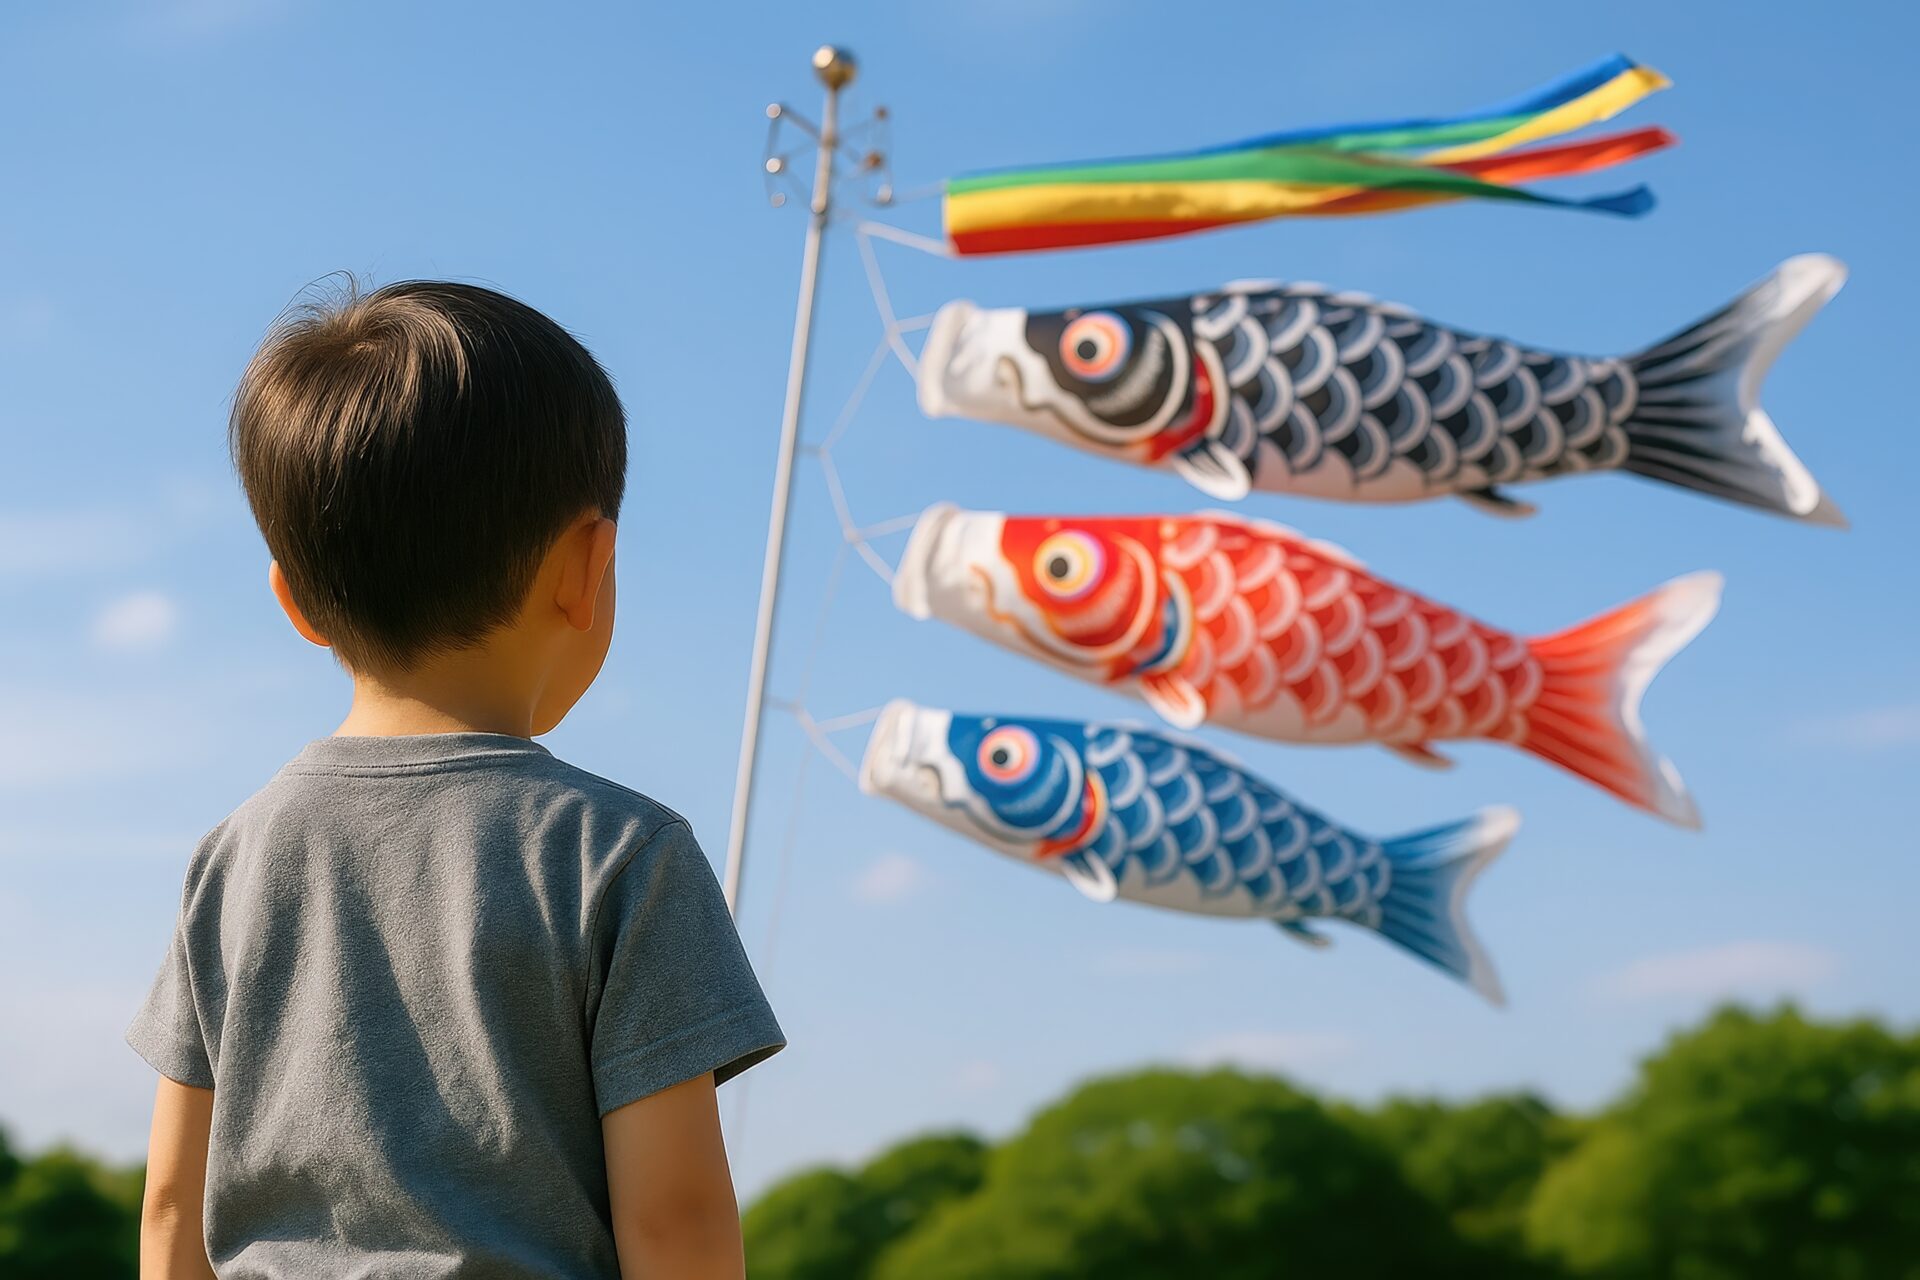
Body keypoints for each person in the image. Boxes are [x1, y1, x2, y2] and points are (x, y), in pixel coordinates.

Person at [126, 280, 784, 1278]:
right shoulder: (622, 854)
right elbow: (677, 1221)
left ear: (295, 598)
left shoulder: (232, 855)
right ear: (587, 564)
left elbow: (175, 1207)